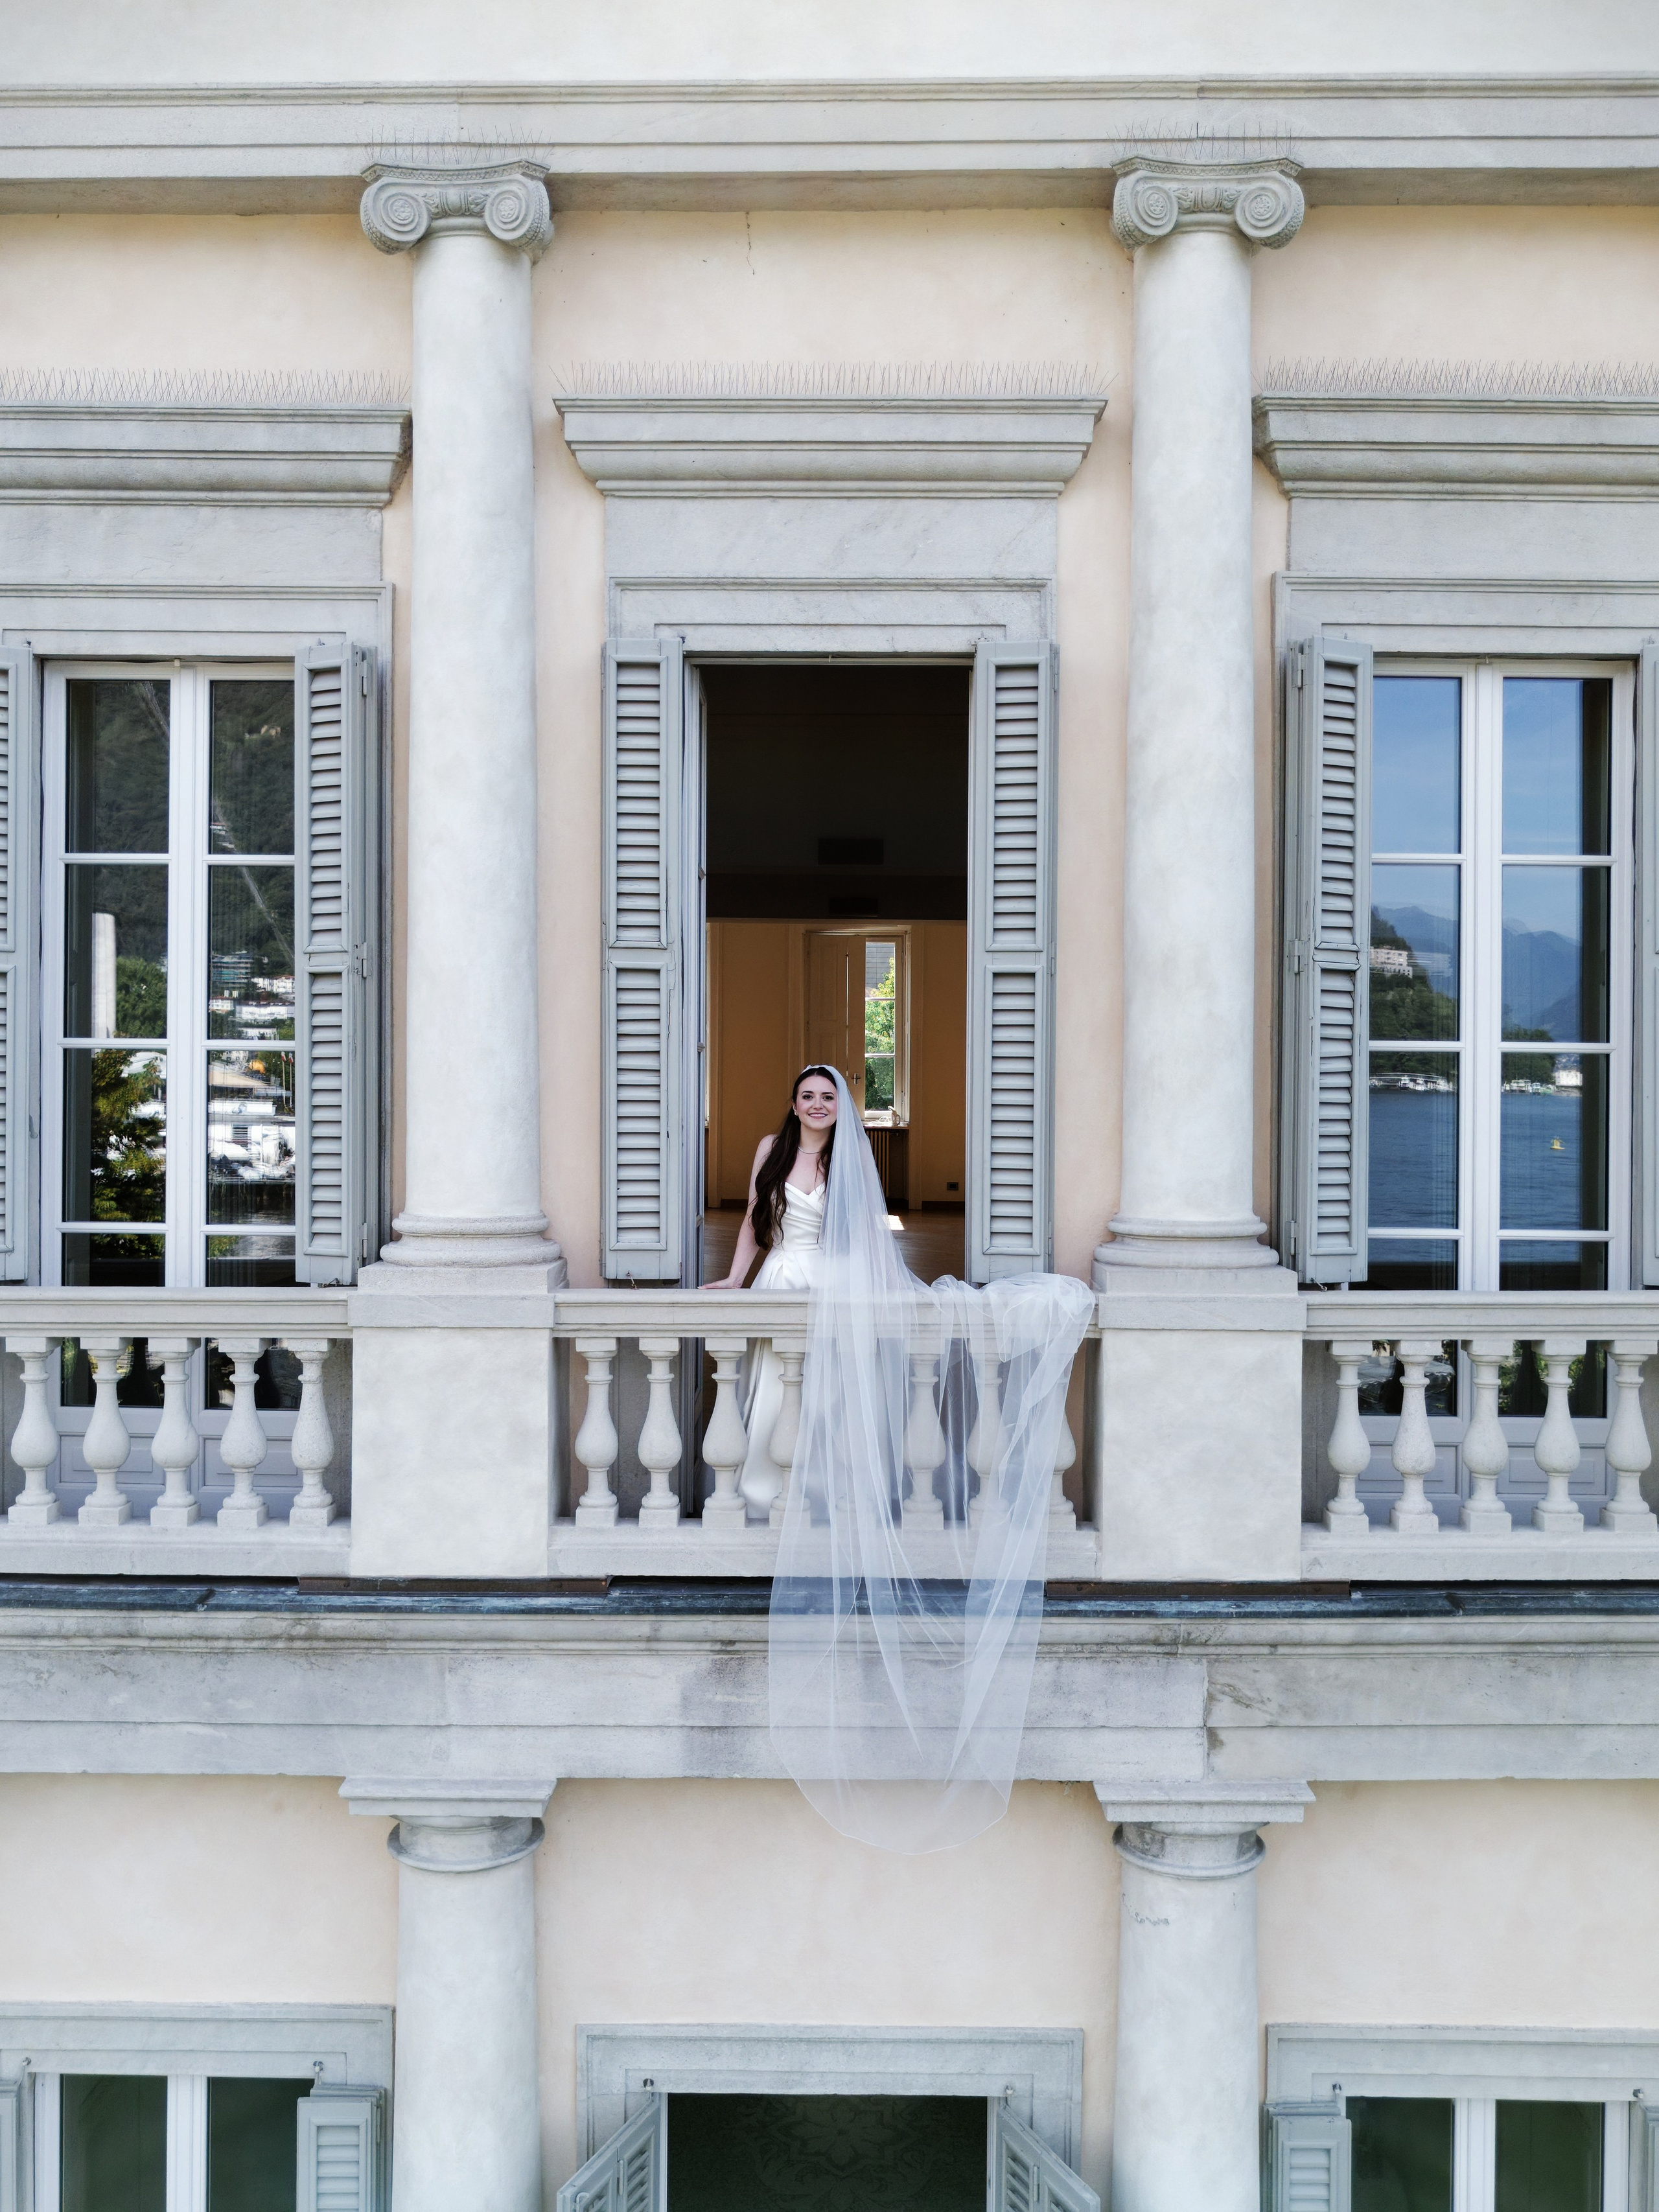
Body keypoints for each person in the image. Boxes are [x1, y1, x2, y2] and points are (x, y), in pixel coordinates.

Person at [705, 1065, 840, 1521]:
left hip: (830, 1282)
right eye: (808, 1096)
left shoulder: (850, 1156)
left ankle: (822, 1496)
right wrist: (736, 1279)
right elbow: (752, 1218)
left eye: (828, 1096)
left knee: (827, 1391)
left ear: (841, 1106)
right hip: (780, 1275)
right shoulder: (772, 1148)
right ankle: (765, 1494)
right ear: (795, 1104)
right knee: (776, 1387)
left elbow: (864, 1232)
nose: (817, 1104)